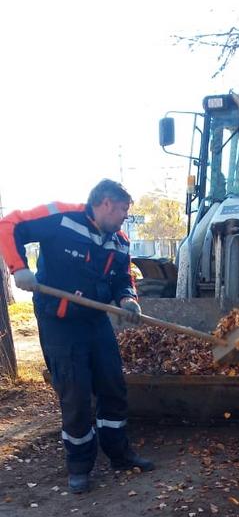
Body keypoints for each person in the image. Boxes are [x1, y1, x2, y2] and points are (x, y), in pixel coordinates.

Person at [0, 179, 154, 494]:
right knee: (76, 394)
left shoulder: (119, 242)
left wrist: (127, 299)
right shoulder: (61, 218)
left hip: (95, 321)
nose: (125, 216)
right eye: (123, 209)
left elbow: (123, 278)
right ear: (106, 203)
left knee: (113, 386)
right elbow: (9, 223)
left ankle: (119, 454)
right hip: (59, 322)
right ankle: (80, 465)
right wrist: (18, 268)